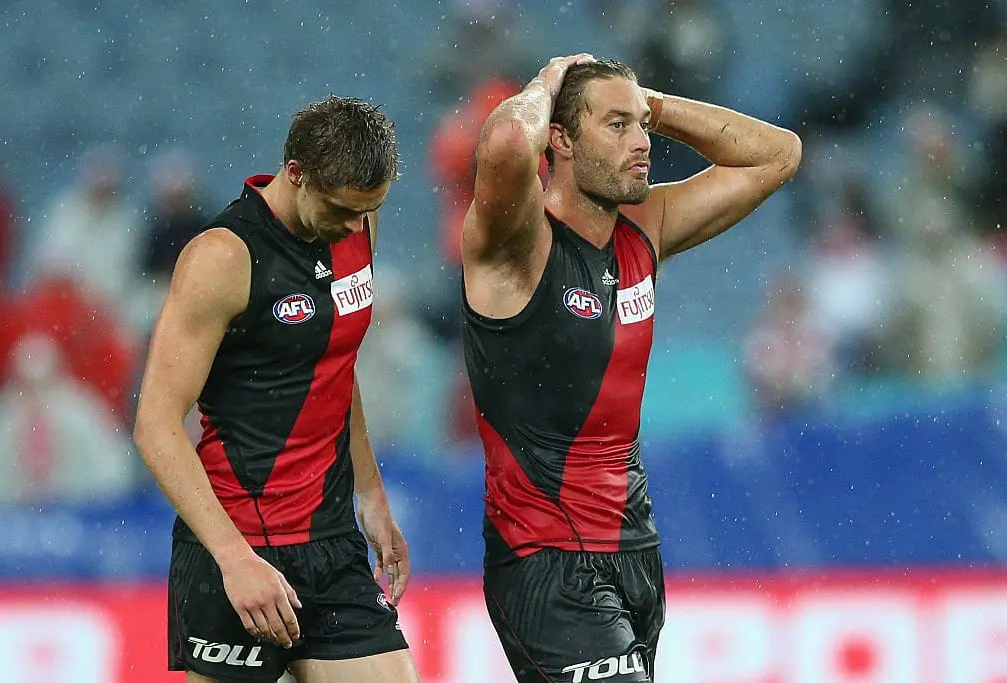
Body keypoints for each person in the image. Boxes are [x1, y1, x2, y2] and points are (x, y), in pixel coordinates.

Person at [460, 55, 801, 682]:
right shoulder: (517, 242)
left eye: (641, 126)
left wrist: (652, 106)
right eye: (617, 126)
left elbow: (778, 155)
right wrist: (546, 85)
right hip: (545, 559)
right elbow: (507, 140)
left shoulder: (646, 227)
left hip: (635, 550)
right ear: (560, 139)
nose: (641, 142)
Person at [133, 97, 420, 683]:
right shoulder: (222, 257)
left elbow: (334, 364)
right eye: (343, 209)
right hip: (236, 544)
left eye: (369, 209)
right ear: (296, 173)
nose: (355, 225)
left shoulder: (358, 219)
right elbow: (155, 426)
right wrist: (234, 560)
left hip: (332, 543)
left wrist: (371, 494)